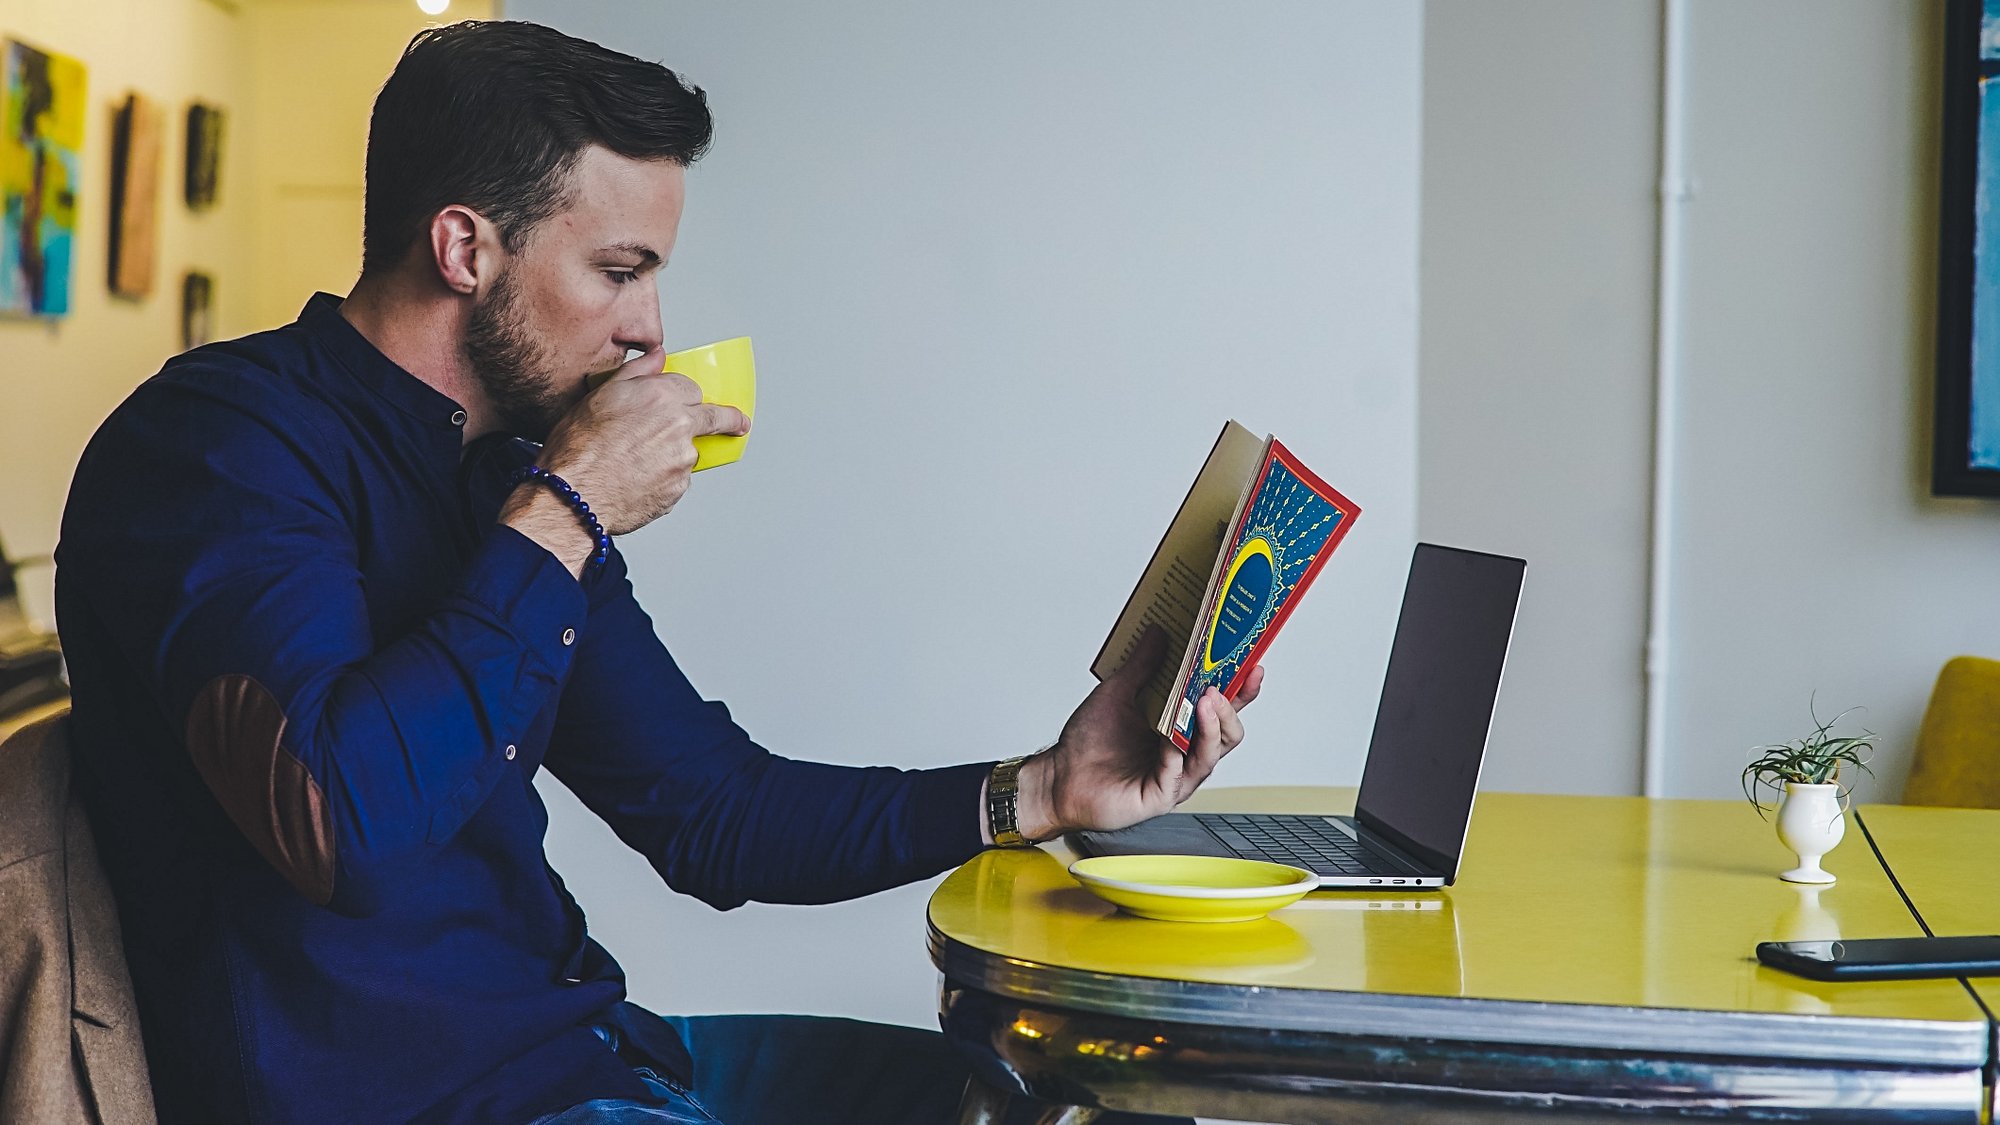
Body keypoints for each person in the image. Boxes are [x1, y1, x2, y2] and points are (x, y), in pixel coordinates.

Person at [54, 20, 1261, 1125]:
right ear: (465, 247)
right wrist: (571, 507)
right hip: (429, 1103)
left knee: (1062, 1103)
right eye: (618, 270)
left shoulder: (504, 480)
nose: (649, 330)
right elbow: (341, 827)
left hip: (593, 1056)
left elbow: (714, 816)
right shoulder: (216, 449)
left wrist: (1042, 789)